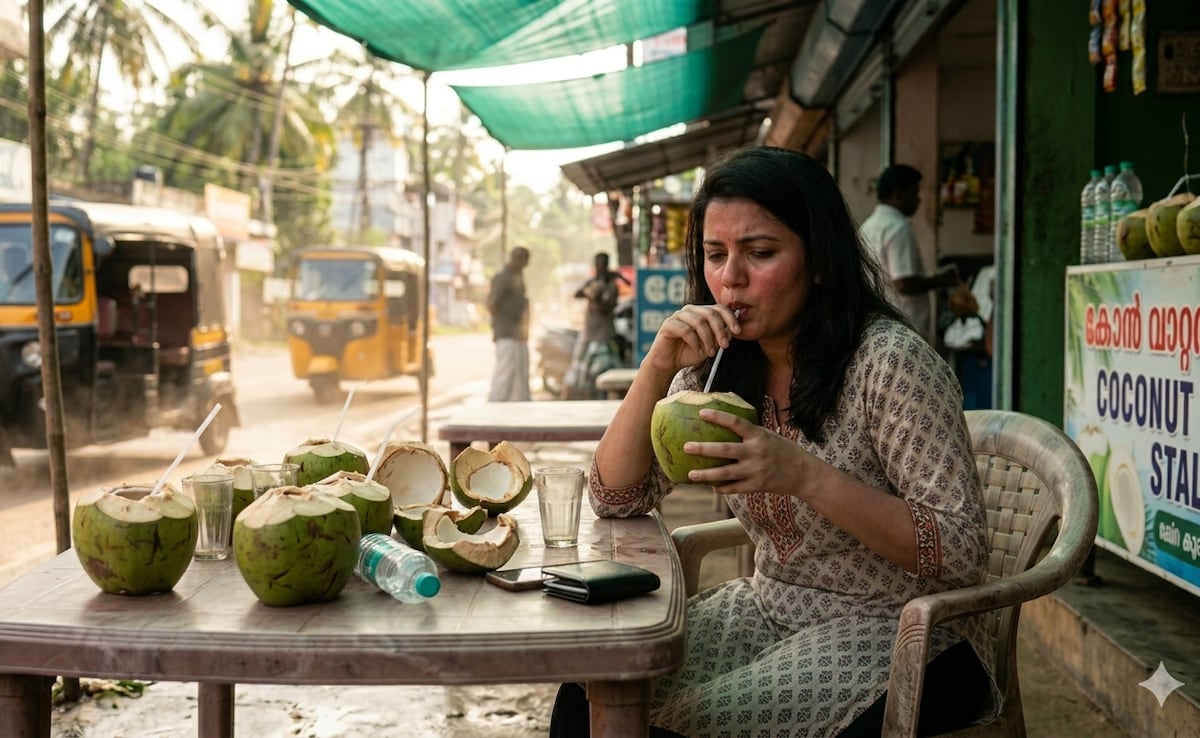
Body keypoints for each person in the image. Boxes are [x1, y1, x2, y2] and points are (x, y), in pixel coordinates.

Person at [549, 146, 998, 737]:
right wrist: (656, 366)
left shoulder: (888, 363)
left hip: (907, 631)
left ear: (817, 261)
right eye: (716, 255)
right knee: (589, 693)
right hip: (771, 607)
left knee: (695, 722)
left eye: (759, 253)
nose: (731, 277)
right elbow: (615, 497)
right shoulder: (723, 367)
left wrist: (804, 474)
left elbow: (962, 551)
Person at [859, 164, 962, 344]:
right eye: (915, 193)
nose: (919, 200)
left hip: (879, 325)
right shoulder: (898, 228)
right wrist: (940, 280)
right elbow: (904, 283)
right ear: (899, 194)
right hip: (903, 326)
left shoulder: (868, 227)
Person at [565, 252, 629, 397]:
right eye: (597, 264)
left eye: (602, 264)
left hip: (605, 334)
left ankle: (602, 397)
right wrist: (591, 293)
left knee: (603, 368)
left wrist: (595, 298)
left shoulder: (611, 285)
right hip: (589, 331)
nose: (599, 267)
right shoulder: (593, 281)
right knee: (581, 369)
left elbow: (607, 307)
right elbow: (578, 294)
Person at [486, 246, 531, 402]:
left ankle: (519, 407)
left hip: (518, 334)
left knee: (520, 375)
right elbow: (492, 304)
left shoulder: (517, 276)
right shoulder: (503, 277)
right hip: (507, 333)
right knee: (504, 374)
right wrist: (502, 322)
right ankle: (496, 406)